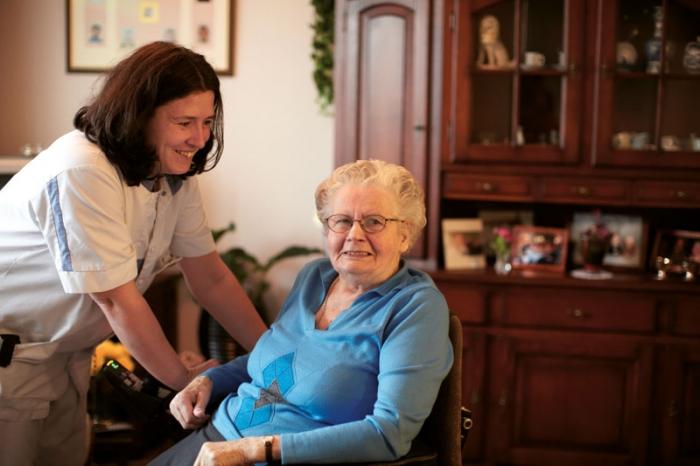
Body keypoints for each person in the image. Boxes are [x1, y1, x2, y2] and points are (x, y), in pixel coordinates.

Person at [0, 41, 267, 466]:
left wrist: (272, 354)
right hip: (11, 361)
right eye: (184, 122)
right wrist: (183, 381)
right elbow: (114, 299)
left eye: (207, 122)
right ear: (139, 117)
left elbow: (210, 276)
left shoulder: (173, 174)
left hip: (62, 359)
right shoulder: (81, 170)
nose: (199, 139)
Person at [149, 160, 454, 465]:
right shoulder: (314, 277)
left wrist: (254, 449)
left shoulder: (415, 307)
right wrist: (209, 381)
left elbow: (390, 434)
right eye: (342, 221)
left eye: (374, 222)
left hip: (274, 457)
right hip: (217, 439)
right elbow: (276, 364)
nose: (354, 234)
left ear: (405, 235)